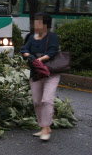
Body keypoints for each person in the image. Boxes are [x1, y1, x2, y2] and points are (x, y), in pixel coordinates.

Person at [20, 12, 60, 142]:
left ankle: (45, 128)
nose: (35, 24)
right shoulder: (32, 37)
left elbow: (52, 52)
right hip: (36, 73)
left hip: (50, 73)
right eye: (35, 22)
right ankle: (44, 126)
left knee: (47, 100)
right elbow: (24, 49)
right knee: (37, 102)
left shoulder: (52, 37)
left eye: (38, 22)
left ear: (45, 25)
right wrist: (27, 55)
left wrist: (38, 60)